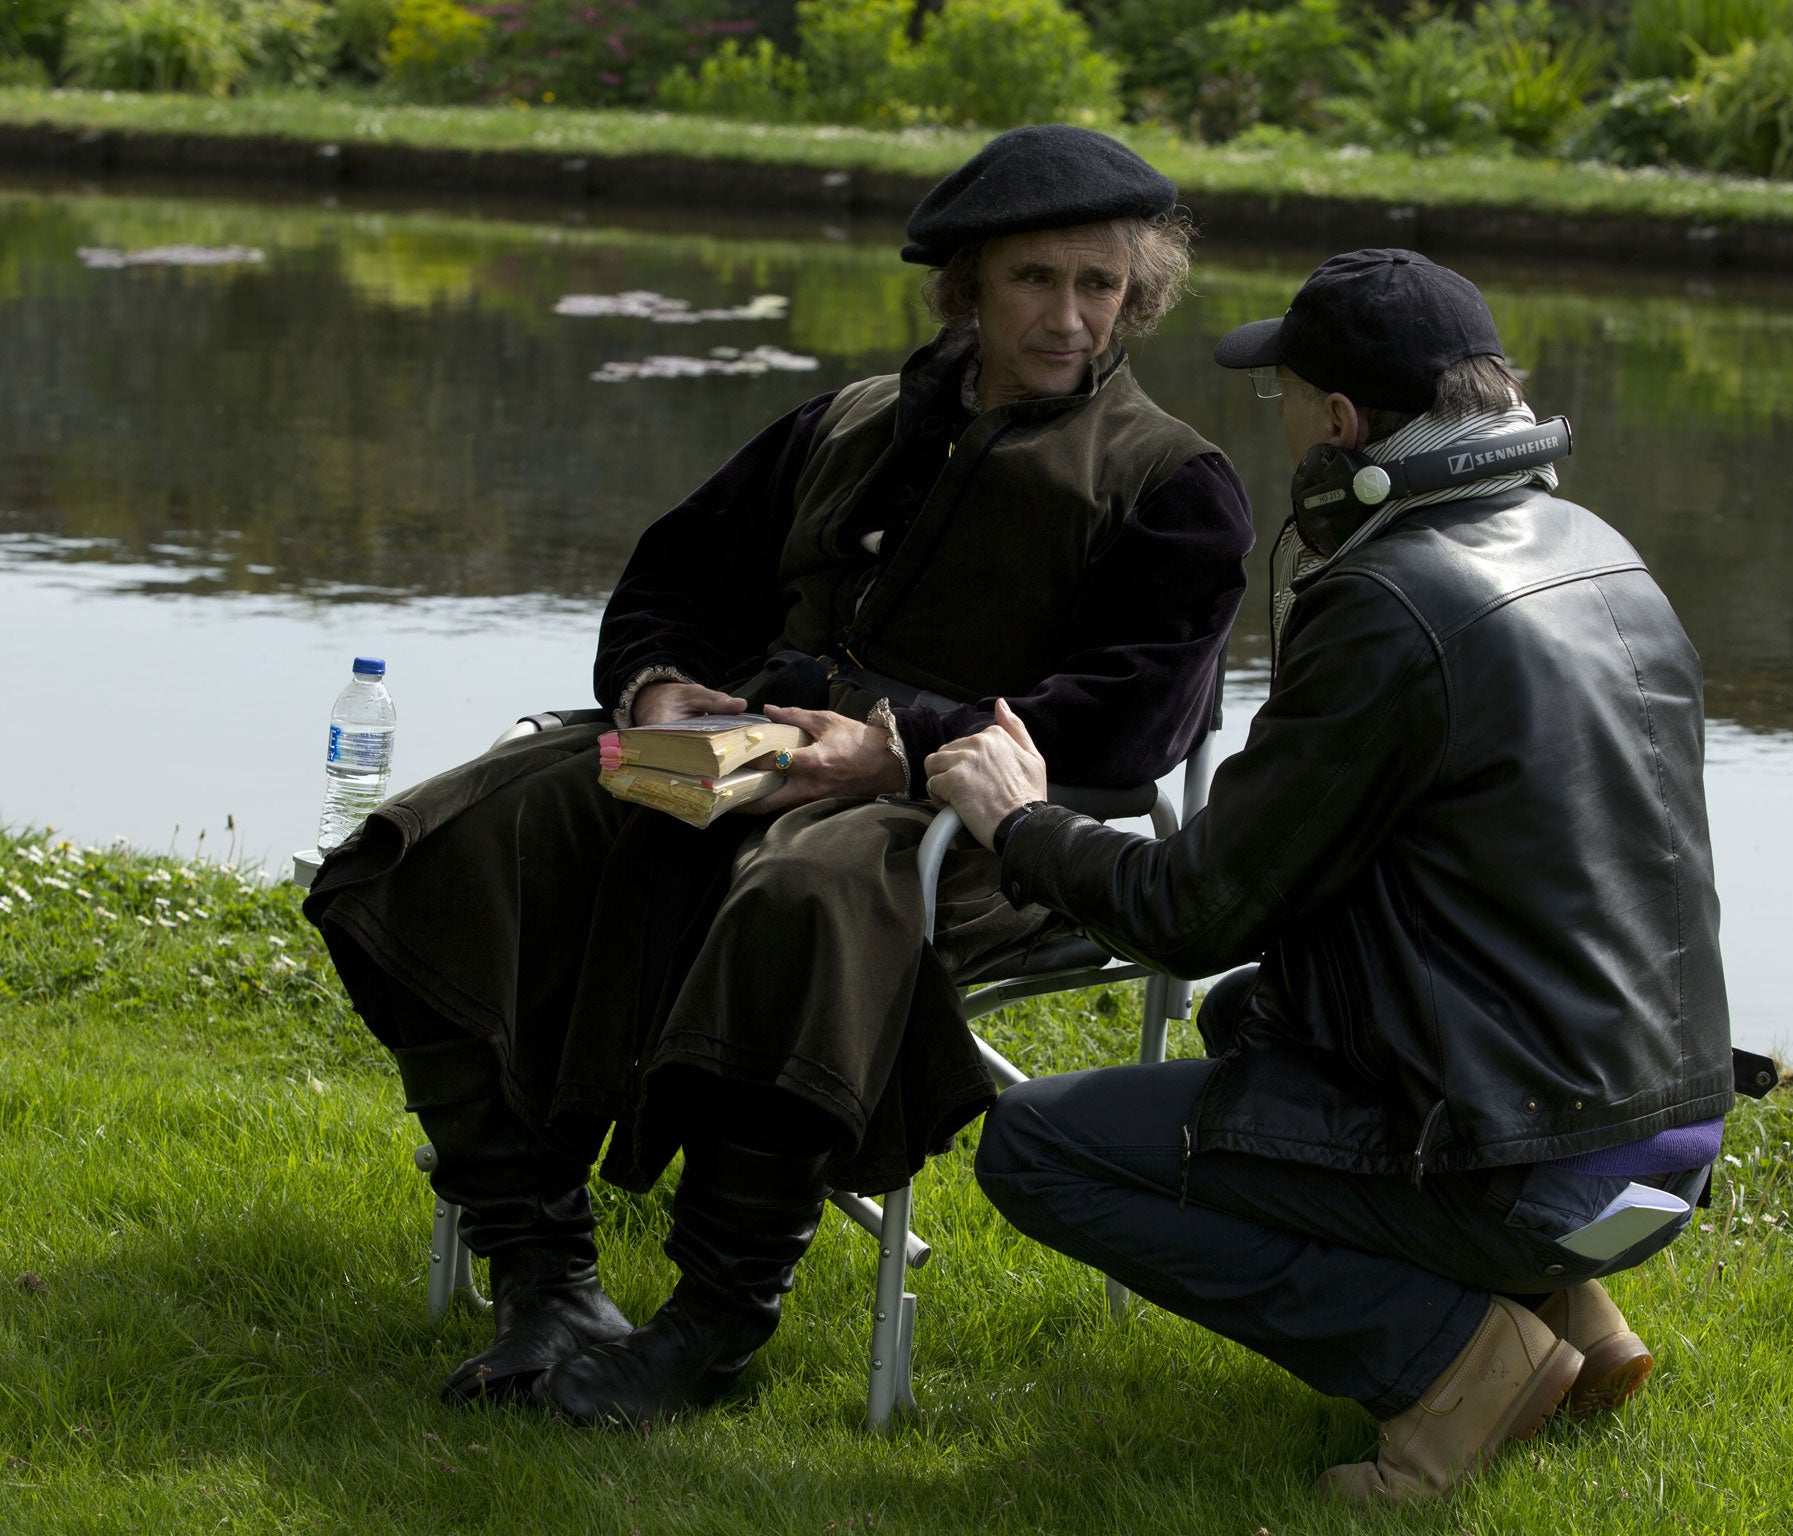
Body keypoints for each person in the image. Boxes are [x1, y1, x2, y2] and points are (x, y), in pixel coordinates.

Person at [303, 125, 1254, 1427]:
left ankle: (711, 1328)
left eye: (1102, 285)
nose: (1072, 315)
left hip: (973, 830)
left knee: (805, 897)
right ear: (968, 284)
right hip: (739, 764)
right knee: (448, 835)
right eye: (1038, 279)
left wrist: (900, 743)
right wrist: (656, 689)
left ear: (1138, 291)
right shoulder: (847, 421)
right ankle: (542, 1273)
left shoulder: (1172, 483)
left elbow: (1136, 717)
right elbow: (674, 579)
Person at [926, 249, 1735, 1506]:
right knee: (1251, 1021)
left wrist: (1017, 823)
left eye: (1289, 398)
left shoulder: (1387, 603)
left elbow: (1191, 912)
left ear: (1343, 426)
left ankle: (1456, 1365)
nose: (1284, 424)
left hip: (1529, 1166)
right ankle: (1579, 1327)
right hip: (1661, 1152)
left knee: (1038, 1146)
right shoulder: (1593, 548)